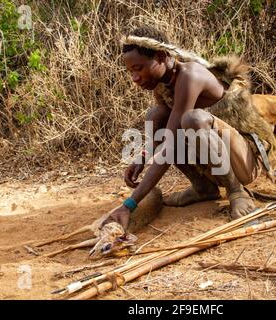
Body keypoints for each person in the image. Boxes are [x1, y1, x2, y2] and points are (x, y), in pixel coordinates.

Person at [104, 26, 264, 230]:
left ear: (161, 56)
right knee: (156, 116)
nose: (134, 78)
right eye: (130, 71)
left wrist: (130, 204)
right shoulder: (163, 83)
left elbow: (170, 145)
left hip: (244, 161)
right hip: (214, 164)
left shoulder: (190, 76)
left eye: (138, 68)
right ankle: (203, 187)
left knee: (192, 120)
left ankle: (236, 192)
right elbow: (164, 132)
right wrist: (141, 157)